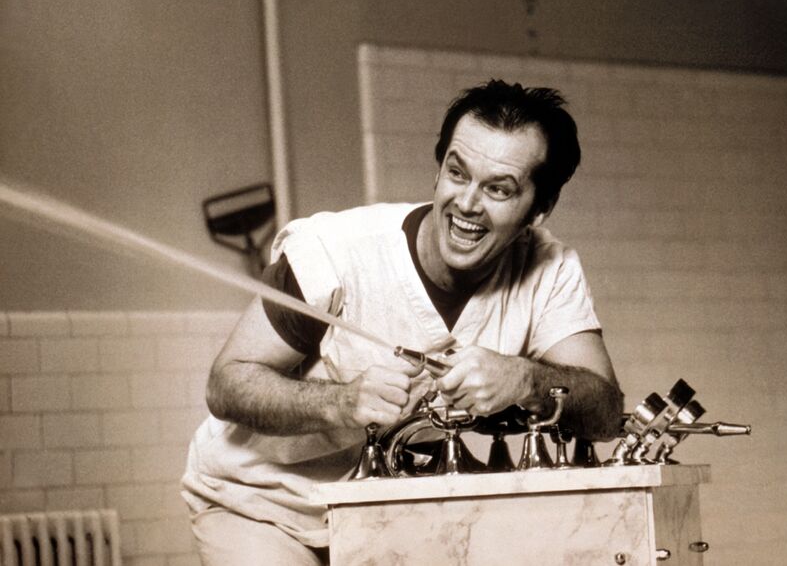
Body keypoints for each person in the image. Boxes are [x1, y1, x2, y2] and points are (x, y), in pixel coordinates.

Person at [182, 80, 624, 565]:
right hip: (259, 505)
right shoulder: (334, 250)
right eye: (458, 173)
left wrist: (525, 379)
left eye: (499, 188)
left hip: (386, 512)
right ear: (438, 172)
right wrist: (343, 401)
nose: (468, 204)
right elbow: (226, 385)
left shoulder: (549, 270)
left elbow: (604, 413)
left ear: (539, 209)